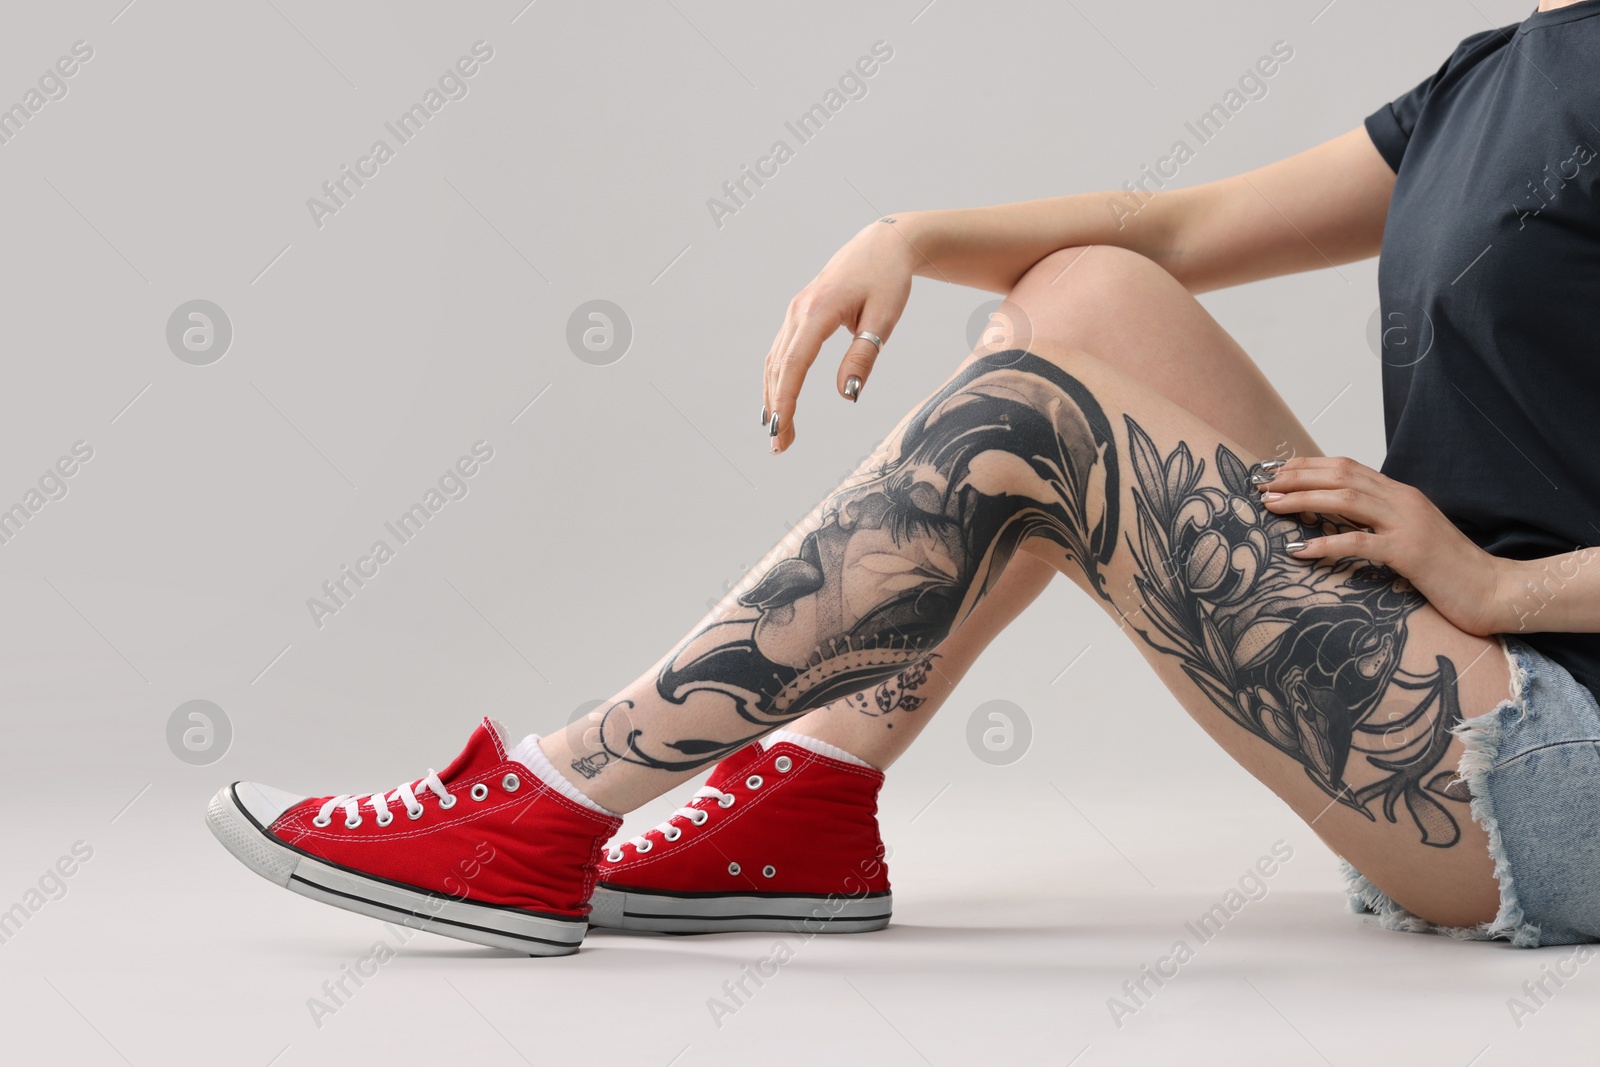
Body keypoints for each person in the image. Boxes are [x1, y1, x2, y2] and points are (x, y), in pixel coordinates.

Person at [206, 2, 1600, 955]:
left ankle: (551, 798)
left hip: (1556, 759)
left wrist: (1498, 581)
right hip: (1457, 689)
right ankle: (813, 795)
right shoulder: (1498, 68)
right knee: (1088, 294)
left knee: (1034, 418)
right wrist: (913, 232)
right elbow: (1180, 227)